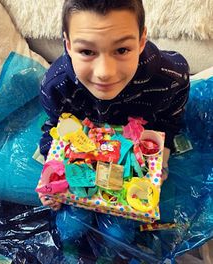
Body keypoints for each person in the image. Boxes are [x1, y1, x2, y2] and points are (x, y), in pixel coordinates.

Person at [39, 0, 190, 210]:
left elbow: (170, 119)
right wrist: (52, 175)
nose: (105, 72)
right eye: (87, 52)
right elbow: (55, 128)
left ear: (141, 41)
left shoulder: (170, 78)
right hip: (85, 153)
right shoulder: (56, 86)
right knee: (72, 228)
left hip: (140, 151)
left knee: (121, 233)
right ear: (68, 45)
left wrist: (162, 157)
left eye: (121, 50)